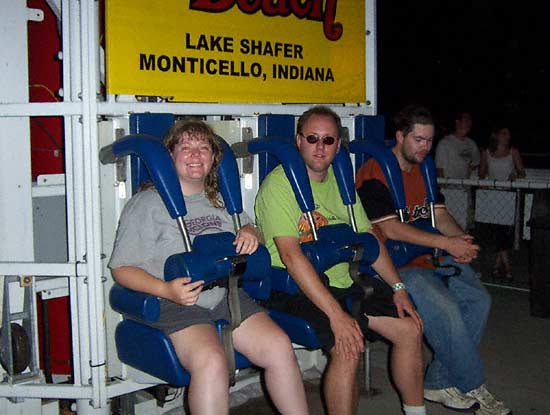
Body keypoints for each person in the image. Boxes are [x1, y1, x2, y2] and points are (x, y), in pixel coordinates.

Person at [108, 119, 309, 415]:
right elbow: (121, 268)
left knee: (279, 346)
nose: (195, 154)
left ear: (214, 158)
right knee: (211, 362)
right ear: (170, 155)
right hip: (176, 302)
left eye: (203, 147)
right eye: (185, 147)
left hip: (224, 294)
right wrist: (165, 289)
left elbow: (249, 230)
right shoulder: (146, 204)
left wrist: (252, 232)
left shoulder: (220, 201)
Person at [255, 106, 426, 415]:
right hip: (295, 287)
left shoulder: (341, 181)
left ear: (338, 144)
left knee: (410, 328)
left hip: (345, 279)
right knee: (349, 347)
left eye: (329, 140)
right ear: (298, 141)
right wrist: (336, 315)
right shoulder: (279, 185)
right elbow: (291, 257)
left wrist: (399, 287)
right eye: (312, 138)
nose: (320, 147)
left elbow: (368, 238)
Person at [356, 105, 511, 415]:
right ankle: (472, 383)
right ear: (399, 137)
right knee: (448, 310)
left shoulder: (423, 170)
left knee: (479, 301)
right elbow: (390, 228)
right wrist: (445, 243)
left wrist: (462, 242)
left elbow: (439, 215)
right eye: (418, 139)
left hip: (427, 258)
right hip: (394, 267)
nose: (425, 147)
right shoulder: (375, 172)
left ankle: (438, 381)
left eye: (429, 140)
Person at [479, 125, 525, 282]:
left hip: (507, 195)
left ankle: (502, 267)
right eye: (504, 133)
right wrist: (484, 179)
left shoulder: (513, 152)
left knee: (504, 232)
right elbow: (481, 172)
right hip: (491, 196)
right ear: (497, 135)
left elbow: (521, 171)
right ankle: (503, 268)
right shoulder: (486, 153)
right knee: (496, 232)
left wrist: (515, 175)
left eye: (508, 134)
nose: (508, 136)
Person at [435, 112, 480, 179]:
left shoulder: (472, 144)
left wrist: (469, 179)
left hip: (466, 188)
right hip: (448, 188)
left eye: (470, 121)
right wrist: (443, 187)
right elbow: (439, 169)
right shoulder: (445, 143)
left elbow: (475, 164)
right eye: (466, 120)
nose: (469, 124)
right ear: (457, 122)